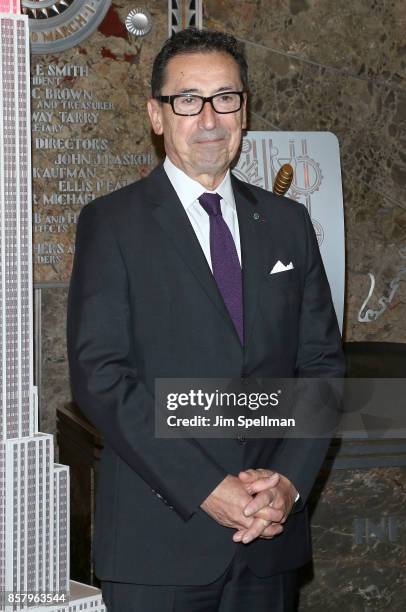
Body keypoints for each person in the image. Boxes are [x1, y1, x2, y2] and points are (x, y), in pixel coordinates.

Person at [67, 27, 345, 611]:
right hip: (158, 543)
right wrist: (207, 488)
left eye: (226, 98)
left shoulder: (289, 224)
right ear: (157, 114)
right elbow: (102, 378)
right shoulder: (112, 225)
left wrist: (289, 486)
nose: (210, 118)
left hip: (268, 540)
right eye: (188, 100)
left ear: (244, 112)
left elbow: (319, 367)